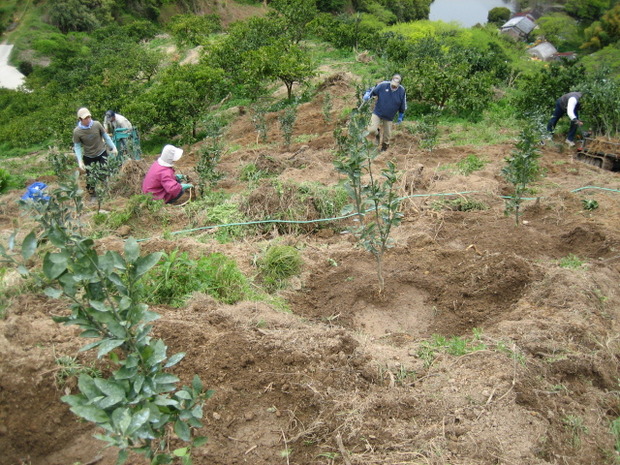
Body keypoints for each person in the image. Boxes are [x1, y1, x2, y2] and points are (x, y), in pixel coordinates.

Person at [72, 107, 118, 196]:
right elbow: (77, 146)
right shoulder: (77, 132)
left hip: (101, 152)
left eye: (89, 117)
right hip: (89, 156)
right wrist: (80, 161)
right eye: (85, 118)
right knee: (90, 177)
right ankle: (93, 195)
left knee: (105, 173)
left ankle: (107, 192)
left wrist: (113, 147)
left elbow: (106, 136)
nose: (88, 119)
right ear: (80, 119)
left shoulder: (96, 124)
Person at [363, 74, 407, 152]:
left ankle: (384, 148)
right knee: (371, 129)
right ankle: (377, 134)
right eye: (392, 85)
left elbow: (402, 104)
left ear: (399, 84)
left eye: (395, 86)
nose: (393, 87)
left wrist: (401, 115)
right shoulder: (383, 85)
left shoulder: (401, 91)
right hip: (378, 112)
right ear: (391, 81)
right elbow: (372, 91)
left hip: (389, 115)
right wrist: (367, 95)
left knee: (387, 136)